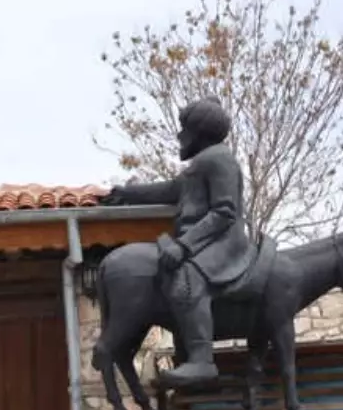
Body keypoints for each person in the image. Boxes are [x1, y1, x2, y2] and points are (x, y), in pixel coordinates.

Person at [100, 95, 255, 389]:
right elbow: (171, 189)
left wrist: (184, 246)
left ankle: (201, 359)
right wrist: (128, 194)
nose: (179, 135)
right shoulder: (202, 163)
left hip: (223, 241)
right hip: (206, 241)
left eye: (184, 129)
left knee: (187, 278)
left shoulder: (219, 159)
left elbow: (224, 212)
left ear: (199, 132)